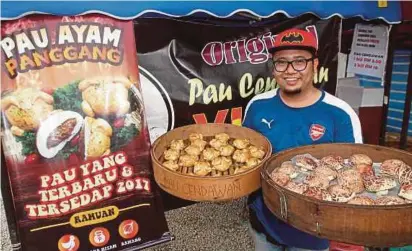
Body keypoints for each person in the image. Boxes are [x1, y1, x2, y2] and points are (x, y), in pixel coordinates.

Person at [242, 28, 363, 251]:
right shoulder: (257, 106)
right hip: (263, 222)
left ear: (315, 65)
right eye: (281, 62)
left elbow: (354, 175)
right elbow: (245, 160)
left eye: (299, 61)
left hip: (314, 231)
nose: (290, 70)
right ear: (273, 68)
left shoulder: (340, 113)